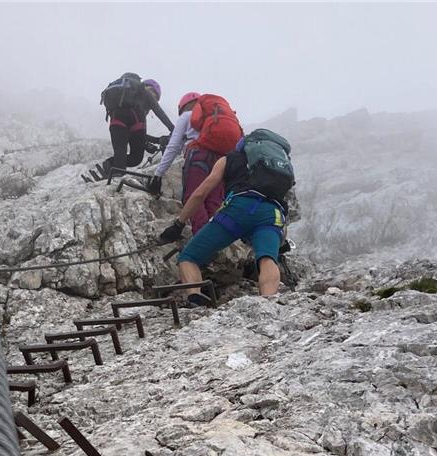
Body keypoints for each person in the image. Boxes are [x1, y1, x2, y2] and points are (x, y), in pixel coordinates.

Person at [158, 129, 295, 303]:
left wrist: (179, 224)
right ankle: (268, 302)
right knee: (268, 258)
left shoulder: (229, 158)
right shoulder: (280, 167)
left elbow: (201, 192)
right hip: (271, 214)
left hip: (237, 210)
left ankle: (195, 298)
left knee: (189, 257)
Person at [148, 93, 242, 235]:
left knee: (193, 198)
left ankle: (201, 242)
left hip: (199, 157)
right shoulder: (215, 119)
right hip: (223, 160)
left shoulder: (186, 116)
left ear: (184, 107)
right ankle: (210, 243)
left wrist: (158, 175)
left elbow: (174, 146)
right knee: (213, 204)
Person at [98, 74, 174, 177]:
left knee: (120, 150)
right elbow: (159, 113)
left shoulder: (124, 98)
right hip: (136, 120)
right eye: (156, 97)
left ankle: (111, 166)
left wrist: (147, 142)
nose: (154, 101)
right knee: (136, 158)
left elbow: (132, 134)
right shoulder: (145, 94)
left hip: (115, 119)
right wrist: (173, 130)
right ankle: (116, 175)